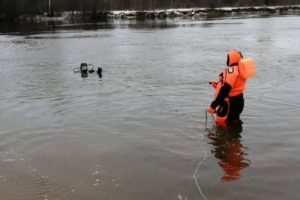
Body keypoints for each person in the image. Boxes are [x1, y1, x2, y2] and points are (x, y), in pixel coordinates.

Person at [207, 50, 246, 123]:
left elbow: (226, 89)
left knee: (221, 123)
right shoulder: (240, 69)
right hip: (238, 100)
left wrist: (213, 105)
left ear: (231, 59)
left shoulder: (231, 71)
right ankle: (235, 133)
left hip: (229, 103)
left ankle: (228, 134)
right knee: (233, 121)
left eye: (228, 58)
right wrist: (218, 85)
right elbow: (234, 86)